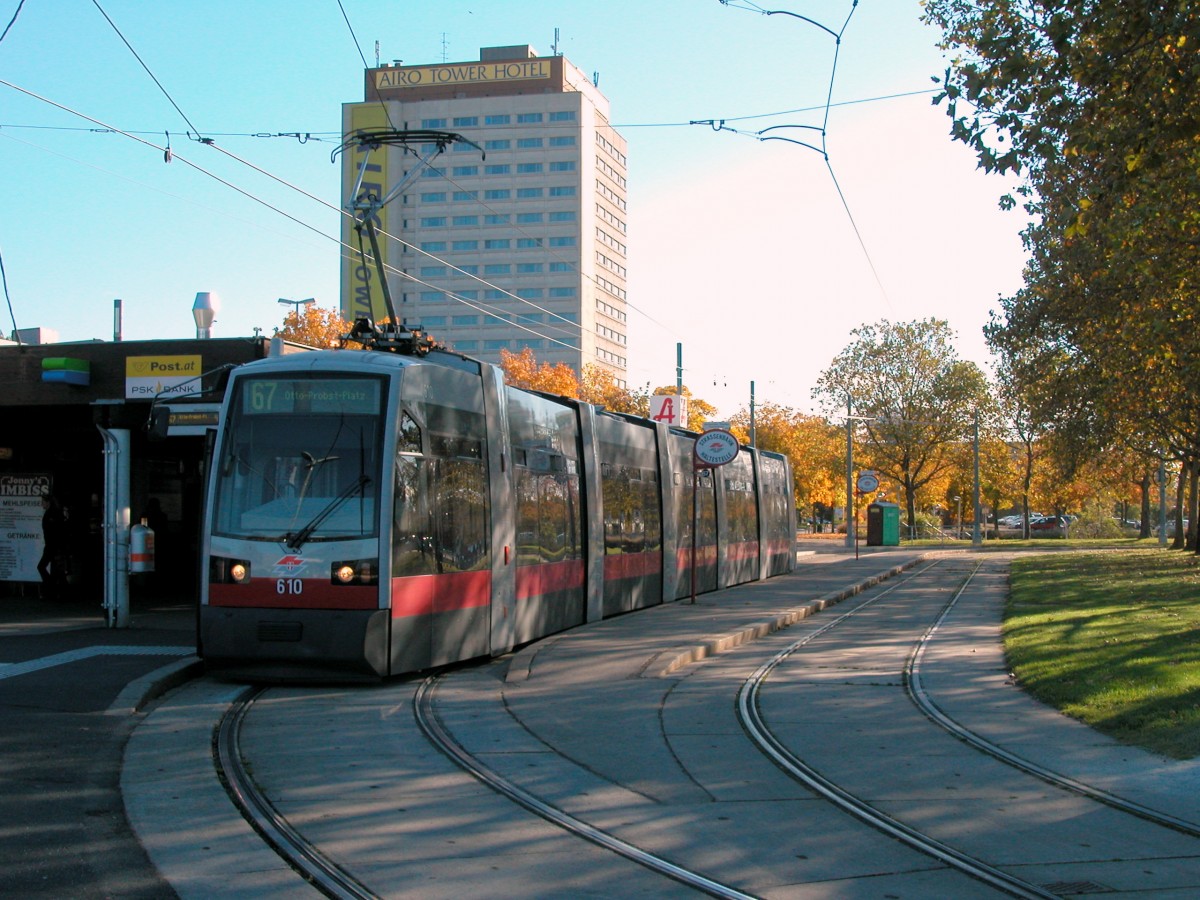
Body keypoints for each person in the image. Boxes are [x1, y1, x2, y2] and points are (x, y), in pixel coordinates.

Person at [37, 494, 68, 600]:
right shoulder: (53, 513)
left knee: (42, 567)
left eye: (43, 502)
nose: (41, 504)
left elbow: (55, 532)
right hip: (53, 545)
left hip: (52, 546)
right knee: (57, 570)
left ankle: (51, 588)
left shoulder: (52, 514)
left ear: (48, 502)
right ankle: (56, 590)